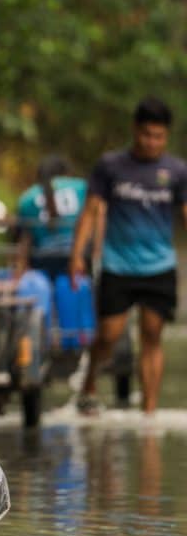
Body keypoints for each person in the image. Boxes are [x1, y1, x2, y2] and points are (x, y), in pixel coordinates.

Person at [69, 96, 187, 415]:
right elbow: (91, 211)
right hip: (118, 264)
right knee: (109, 335)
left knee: (152, 335)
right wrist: (77, 254)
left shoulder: (177, 171)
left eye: (159, 137)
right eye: (147, 134)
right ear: (135, 130)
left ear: (167, 136)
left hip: (160, 265)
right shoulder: (111, 166)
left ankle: (149, 413)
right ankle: (90, 382)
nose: (152, 142)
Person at [14, 155, 88, 281]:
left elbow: (25, 239)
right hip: (78, 257)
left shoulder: (27, 197)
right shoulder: (82, 187)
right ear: (67, 172)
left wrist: (18, 272)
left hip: (43, 261)